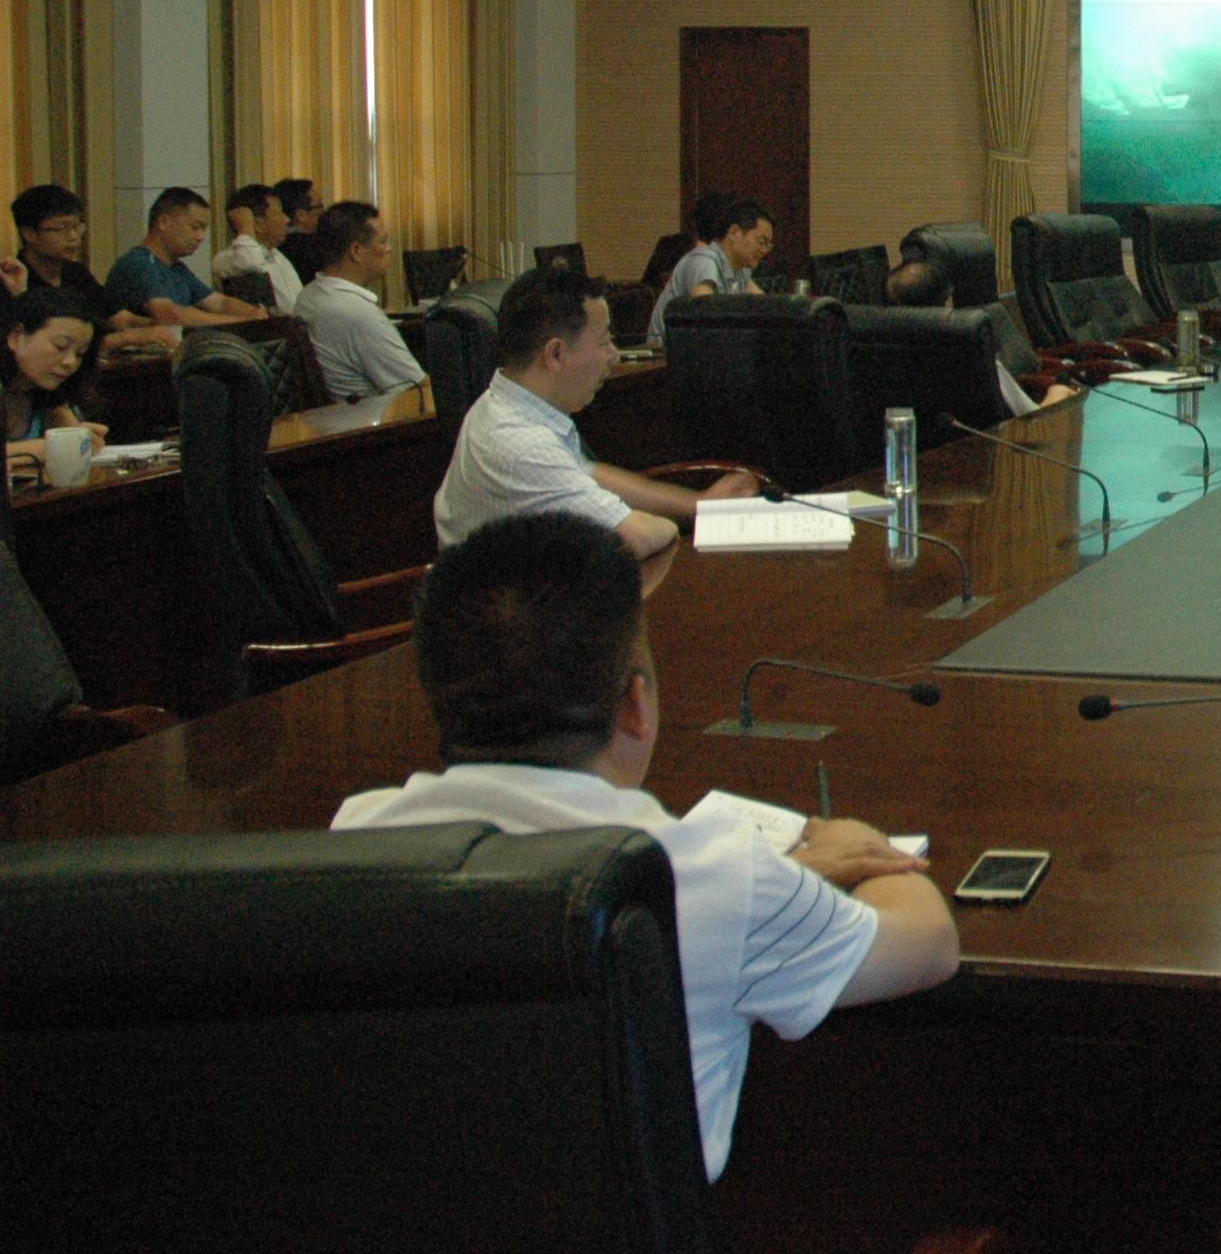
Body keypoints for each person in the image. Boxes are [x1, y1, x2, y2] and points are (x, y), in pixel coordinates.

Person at [330, 511, 959, 1182]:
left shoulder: (355, 840)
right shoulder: (708, 873)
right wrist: (864, 846)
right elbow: (928, 944)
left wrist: (786, 876)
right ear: (634, 705)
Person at [439, 266, 760, 557]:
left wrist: (699, 505)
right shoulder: (520, 445)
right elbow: (639, 538)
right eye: (604, 340)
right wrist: (682, 524)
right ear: (555, 353)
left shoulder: (508, 402)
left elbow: (586, 473)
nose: (614, 355)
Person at [885, 255, 1073, 415]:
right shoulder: (973, 356)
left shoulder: (881, 359)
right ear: (947, 302)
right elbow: (1030, 418)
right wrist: (1057, 392)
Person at [293, 201, 428, 403]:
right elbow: (418, 389)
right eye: (383, 242)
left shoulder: (308, 295)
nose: (389, 249)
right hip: (379, 418)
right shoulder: (358, 314)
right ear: (356, 251)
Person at [7, 183, 166, 347]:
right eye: (60, 229)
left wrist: (161, 326)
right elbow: (47, 345)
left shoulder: (76, 273)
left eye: (76, 227)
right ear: (29, 234)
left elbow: (120, 318)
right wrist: (125, 339)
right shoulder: (13, 281)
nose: (73, 236)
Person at [105, 187, 264, 327]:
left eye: (203, 230)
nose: (200, 237)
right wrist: (243, 321)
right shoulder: (138, 264)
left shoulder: (178, 269)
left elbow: (219, 303)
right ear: (163, 222)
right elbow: (169, 316)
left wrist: (255, 314)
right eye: (195, 227)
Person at [4, 286, 107, 483]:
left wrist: (81, 439)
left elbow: (70, 439)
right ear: (16, 336)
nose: (70, 362)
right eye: (60, 346)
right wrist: (44, 448)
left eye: (80, 353)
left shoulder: (49, 394)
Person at [650, 196, 772, 345]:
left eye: (768, 244)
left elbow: (765, 308)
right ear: (734, 233)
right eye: (761, 241)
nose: (765, 250)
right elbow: (706, 321)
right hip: (665, 353)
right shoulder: (704, 261)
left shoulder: (740, 268)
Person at [210, 182, 306, 313]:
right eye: (279, 213)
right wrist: (245, 228)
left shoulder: (276, 254)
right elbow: (250, 265)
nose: (286, 219)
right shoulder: (229, 258)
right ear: (256, 223)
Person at [273, 177, 330, 284]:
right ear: (301, 215)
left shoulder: (275, 245)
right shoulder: (314, 248)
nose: (324, 211)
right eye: (320, 206)